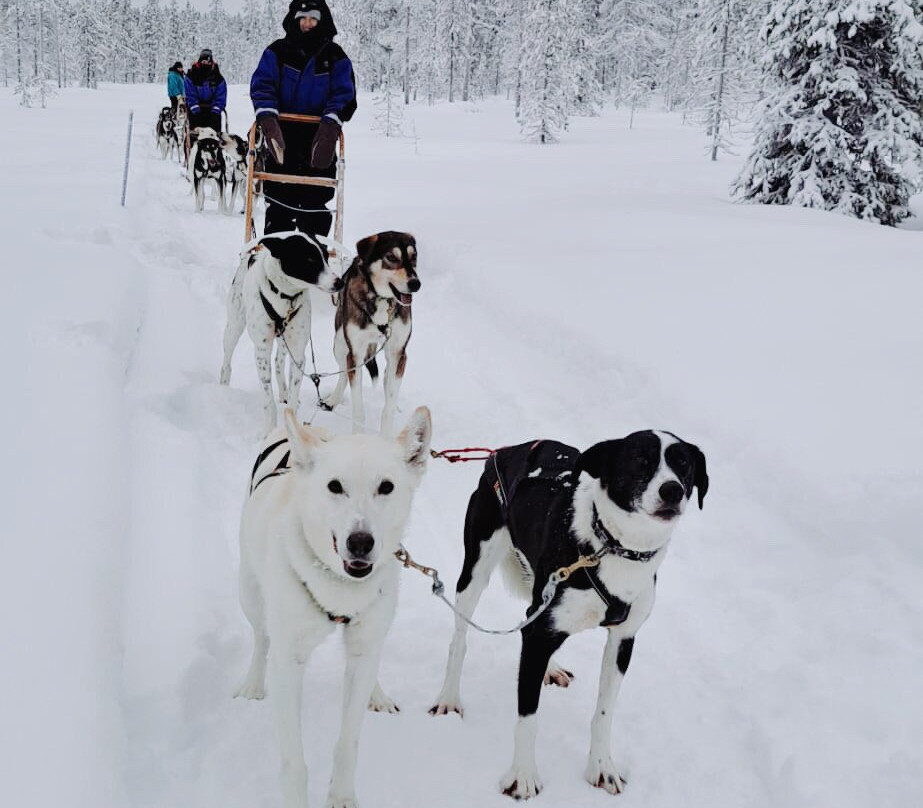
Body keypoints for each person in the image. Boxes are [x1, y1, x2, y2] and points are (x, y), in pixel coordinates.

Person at [250, 0, 357, 237]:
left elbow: (344, 93)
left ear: (322, 20)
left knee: (315, 202)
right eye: (303, 18)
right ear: (295, 19)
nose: (307, 24)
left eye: (313, 19)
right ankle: (274, 251)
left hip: (318, 137)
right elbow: (263, 85)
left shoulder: (335, 56)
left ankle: (314, 252)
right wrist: (268, 120)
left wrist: (330, 125)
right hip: (282, 134)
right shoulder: (278, 51)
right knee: (279, 200)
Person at [185, 49, 227, 132]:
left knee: (215, 132)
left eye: (208, 62)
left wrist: (216, 109)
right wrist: (194, 107)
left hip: (212, 109)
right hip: (195, 109)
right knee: (195, 132)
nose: (206, 64)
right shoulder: (192, 75)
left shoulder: (218, 78)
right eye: (204, 62)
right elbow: (190, 93)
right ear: (199, 61)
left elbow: (221, 95)